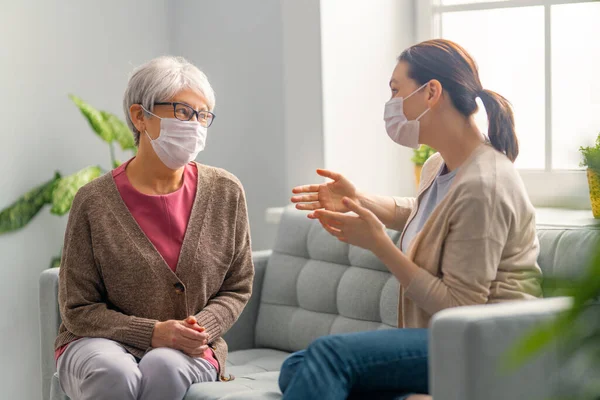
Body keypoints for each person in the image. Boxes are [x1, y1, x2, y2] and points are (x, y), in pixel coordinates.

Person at [282, 39, 543, 400]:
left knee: (327, 360)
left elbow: (461, 309)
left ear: (431, 92)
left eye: (395, 90)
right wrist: (355, 200)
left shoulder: (486, 185)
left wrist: (379, 244)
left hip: (488, 347)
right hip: (446, 340)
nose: (391, 104)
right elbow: (427, 214)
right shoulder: (440, 164)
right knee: (297, 367)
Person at [55, 56, 254, 400]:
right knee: (113, 371)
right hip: (99, 344)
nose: (195, 124)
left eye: (203, 115)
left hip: (187, 349)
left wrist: (199, 329)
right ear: (139, 116)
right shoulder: (93, 201)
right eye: (181, 111)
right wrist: (152, 333)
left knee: (164, 365)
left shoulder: (226, 191)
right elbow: (77, 307)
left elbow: (237, 286)